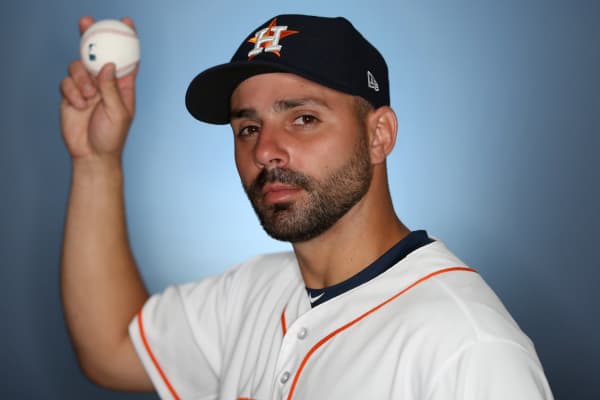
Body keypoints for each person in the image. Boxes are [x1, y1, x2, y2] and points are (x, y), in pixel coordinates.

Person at [60, 14, 554, 400]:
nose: (265, 150)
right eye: (248, 128)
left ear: (379, 135)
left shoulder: (469, 348)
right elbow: (110, 350)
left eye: (303, 118)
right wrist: (95, 161)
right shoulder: (250, 292)